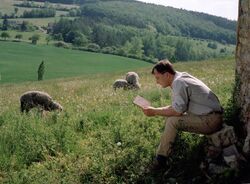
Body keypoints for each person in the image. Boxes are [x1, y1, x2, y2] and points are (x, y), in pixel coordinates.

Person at [141, 59, 223, 171]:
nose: (157, 82)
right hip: (212, 117)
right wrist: (154, 109)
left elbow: (177, 111)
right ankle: (165, 154)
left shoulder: (178, 83)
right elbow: (175, 107)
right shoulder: (180, 78)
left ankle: (161, 161)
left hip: (210, 120)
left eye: (157, 77)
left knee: (172, 121)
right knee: (172, 118)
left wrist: (154, 112)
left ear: (166, 75)